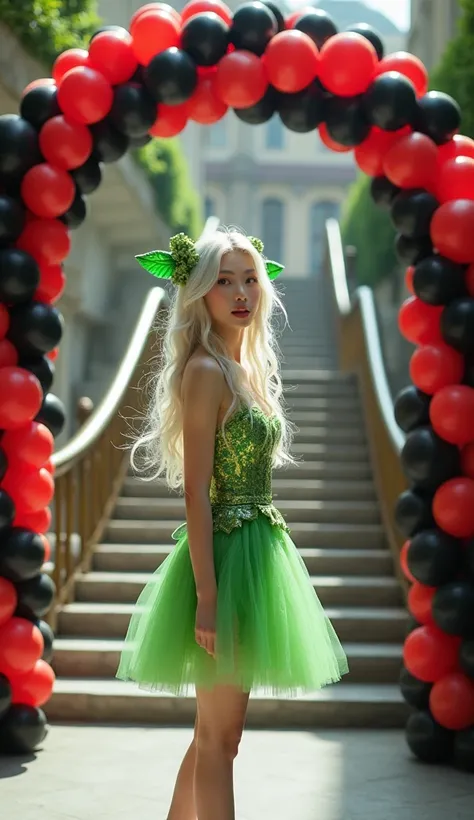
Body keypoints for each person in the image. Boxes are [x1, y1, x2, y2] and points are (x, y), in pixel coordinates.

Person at [116, 227, 348, 820]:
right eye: (224, 281)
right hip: (224, 558)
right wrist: (208, 595)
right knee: (221, 739)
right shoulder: (205, 372)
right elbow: (194, 491)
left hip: (257, 550)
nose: (241, 292)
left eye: (249, 279)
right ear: (200, 294)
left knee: (214, 736)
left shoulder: (241, 366)